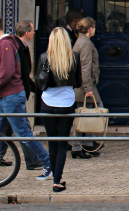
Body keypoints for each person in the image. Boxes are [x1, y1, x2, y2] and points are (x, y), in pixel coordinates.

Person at [0, 15, 52, 182]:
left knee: (22, 133)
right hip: (2, 97)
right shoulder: (2, 44)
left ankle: (48, 164)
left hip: (10, 96)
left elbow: (7, 71)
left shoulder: (5, 44)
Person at [37, 27, 82, 193]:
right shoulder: (74, 57)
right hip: (66, 103)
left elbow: (40, 82)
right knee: (62, 144)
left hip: (48, 103)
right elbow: (78, 82)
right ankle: (57, 180)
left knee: (52, 142)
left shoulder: (45, 57)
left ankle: (53, 176)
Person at [72, 17, 101, 158]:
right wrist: (88, 88)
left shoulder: (80, 41)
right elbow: (85, 67)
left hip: (83, 84)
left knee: (87, 114)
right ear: (90, 28)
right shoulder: (86, 43)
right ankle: (78, 146)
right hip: (85, 85)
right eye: (94, 27)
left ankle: (88, 144)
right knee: (87, 114)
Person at [14, 20, 41, 170]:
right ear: (26, 33)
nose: (34, 33)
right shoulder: (17, 47)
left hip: (18, 92)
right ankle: (33, 160)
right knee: (23, 128)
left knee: (3, 129)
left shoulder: (21, 46)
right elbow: (19, 73)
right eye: (32, 30)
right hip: (15, 94)